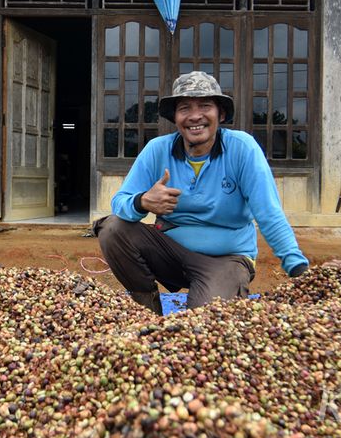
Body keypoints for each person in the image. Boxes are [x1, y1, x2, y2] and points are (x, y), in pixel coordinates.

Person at [94, 71, 309, 315]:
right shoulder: (157, 150)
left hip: (226, 260)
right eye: (184, 108)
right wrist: (142, 202)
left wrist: (298, 268)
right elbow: (119, 203)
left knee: (202, 322)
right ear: (175, 117)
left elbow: (269, 213)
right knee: (112, 228)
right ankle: (146, 314)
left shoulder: (242, 149)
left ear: (221, 114)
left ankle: (208, 299)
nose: (195, 116)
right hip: (171, 256)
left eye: (205, 106)